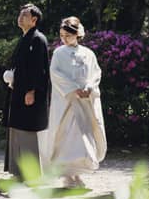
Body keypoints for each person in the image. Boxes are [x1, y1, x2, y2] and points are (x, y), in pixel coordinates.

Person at [39, 16, 107, 188]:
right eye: (61, 35)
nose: (64, 39)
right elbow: (55, 74)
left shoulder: (88, 54)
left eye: (67, 35)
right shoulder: (58, 53)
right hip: (67, 102)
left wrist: (89, 87)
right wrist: (73, 88)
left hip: (85, 102)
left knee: (83, 138)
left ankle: (77, 173)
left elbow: (95, 73)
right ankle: (67, 174)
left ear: (77, 34)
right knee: (66, 138)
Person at [3, 3, 50, 179]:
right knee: (16, 128)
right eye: (20, 14)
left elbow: (39, 69)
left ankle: (31, 173)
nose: (20, 17)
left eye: (24, 15)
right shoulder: (24, 38)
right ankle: (18, 171)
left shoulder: (38, 39)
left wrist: (32, 90)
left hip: (29, 93)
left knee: (28, 131)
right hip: (17, 90)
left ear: (34, 20)